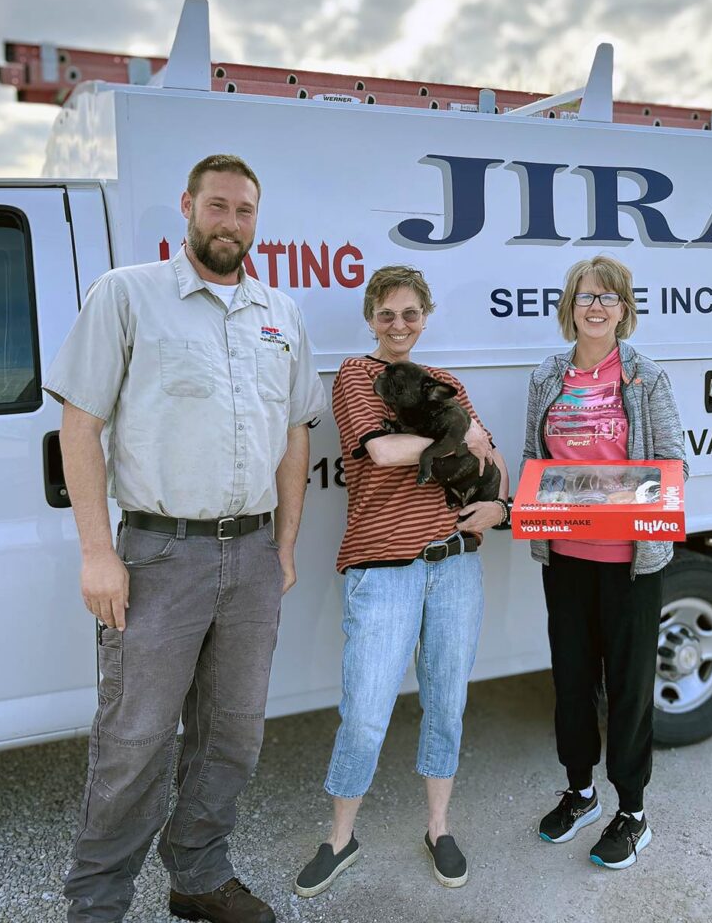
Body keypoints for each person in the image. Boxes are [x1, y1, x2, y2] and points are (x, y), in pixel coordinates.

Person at [45, 154, 326, 923]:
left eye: (244, 210)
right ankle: (96, 904)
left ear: (256, 220)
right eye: (217, 206)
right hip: (160, 554)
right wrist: (98, 553)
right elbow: (81, 423)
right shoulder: (128, 295)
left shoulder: (282, 313)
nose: (230, 222)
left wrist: (286, 545)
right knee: (135, 740)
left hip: (254, 555)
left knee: (232, 734)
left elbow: (297, 434)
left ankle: (198, 875)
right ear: (187, 207)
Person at [294, 265, 510, 897]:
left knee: (447, 703)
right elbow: (383, 453)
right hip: (383, 569)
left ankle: (439, 827)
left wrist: (500, 508)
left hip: (455, 563)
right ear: (370, 317)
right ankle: (339, 839)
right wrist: (456, 435)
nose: (399, 325)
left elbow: (489, 455)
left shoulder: (447, 383)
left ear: (426, 317)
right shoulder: (358, 378)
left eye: (411, 313)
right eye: (387, 313)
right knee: (365, 712)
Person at [522, 254, 687, 870]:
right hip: (563, 557)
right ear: (570, 306)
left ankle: (633, 812)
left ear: (625, 309)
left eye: (609, 297)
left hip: (631, 564)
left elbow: (675, 465)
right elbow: (533, 459)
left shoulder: (646, 377)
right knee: (570, 683)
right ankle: (581, 792)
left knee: (627, 687)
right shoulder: (547, 376)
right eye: (586, 296)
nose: (597, 306)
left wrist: (599, 491)